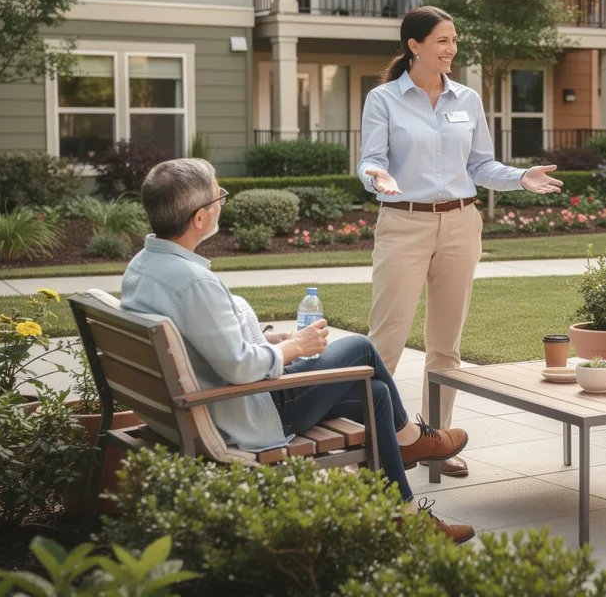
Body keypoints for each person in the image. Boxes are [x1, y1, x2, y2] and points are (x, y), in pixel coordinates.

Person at [121, 158, 476, 543]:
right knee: (361, 348)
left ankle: (403, 515)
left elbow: (207, 343)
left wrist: (268, 341)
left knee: (375, 397)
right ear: (200, 219)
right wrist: (294, 347)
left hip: (201, 406)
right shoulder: (194, 282)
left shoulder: (144, 265)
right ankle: (411, 441)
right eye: (218, 196)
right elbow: (240, 368)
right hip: (251, 412)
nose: (222, 202)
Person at [357, 6, 563, 478]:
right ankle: (374, 445)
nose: (452, 49)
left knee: (446, 345)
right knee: (385, 340)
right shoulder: (384, 99)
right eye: (442, 41)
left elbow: (480, 167)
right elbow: (370, 159)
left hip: (460, 225)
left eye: (454, 41)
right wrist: (378, 176)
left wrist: (520, 177)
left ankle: (436, 440)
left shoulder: (466, 100)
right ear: (415, 46)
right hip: (403, 224)